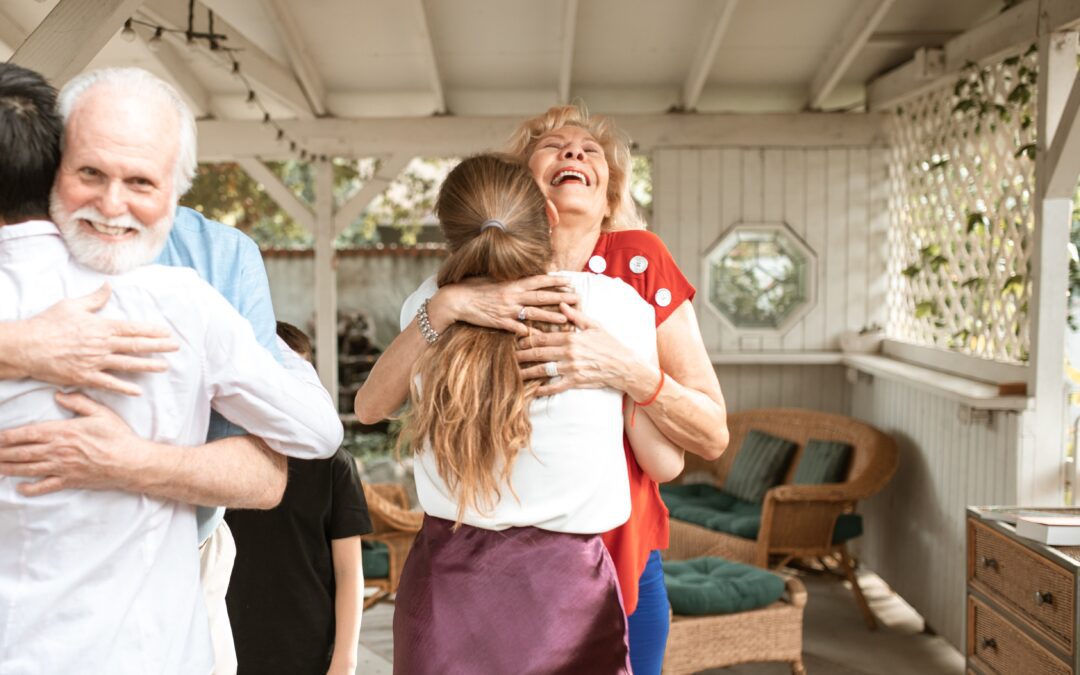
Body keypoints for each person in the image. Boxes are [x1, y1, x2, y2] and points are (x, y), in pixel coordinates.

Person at [356, 106, 729, 674]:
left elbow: (368, 407)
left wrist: (626, 373)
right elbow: (668, 461)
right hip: (569, 569)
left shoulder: (636, 269)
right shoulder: (602, 307)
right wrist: (449, 306)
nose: (575, 152)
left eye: (591, 150)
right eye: (554, 145)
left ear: (609, 202)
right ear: (527, 196)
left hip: (593, 550)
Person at [0, 63, 342, 673]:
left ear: (178, 188)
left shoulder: (209, 271)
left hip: (173, 587)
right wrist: (18, 346)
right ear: (55, 160)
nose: (111, 206)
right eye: (89, 173)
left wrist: (128, 462)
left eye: (140, 182)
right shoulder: (182, 304)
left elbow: (279, 466)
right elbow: (318, 428)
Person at [225, 322, 373, 675]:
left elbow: (349, 570)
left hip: (311, 650)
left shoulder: (334, 465)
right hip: (230, 646)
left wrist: (345, 660)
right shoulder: (223, 457)